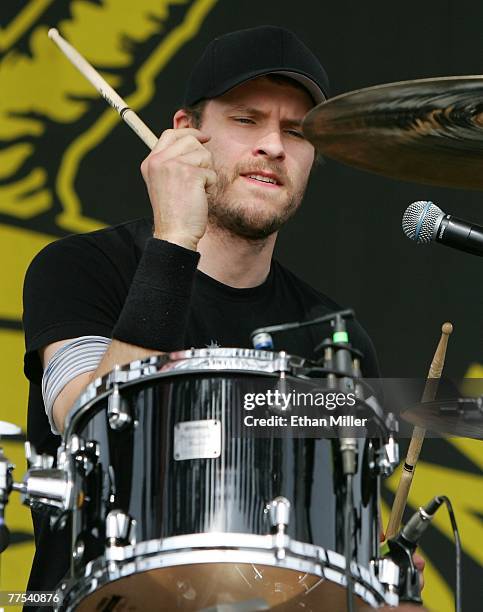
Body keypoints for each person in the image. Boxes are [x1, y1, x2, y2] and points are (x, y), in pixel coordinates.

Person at [22, 25, 424, 606]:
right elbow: (97, 422)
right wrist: (175, 237)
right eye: (245, 120)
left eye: (296, 131)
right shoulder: (80, 267)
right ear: (187, 135)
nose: (274, 146)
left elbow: (334, 549)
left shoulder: (335, 334)